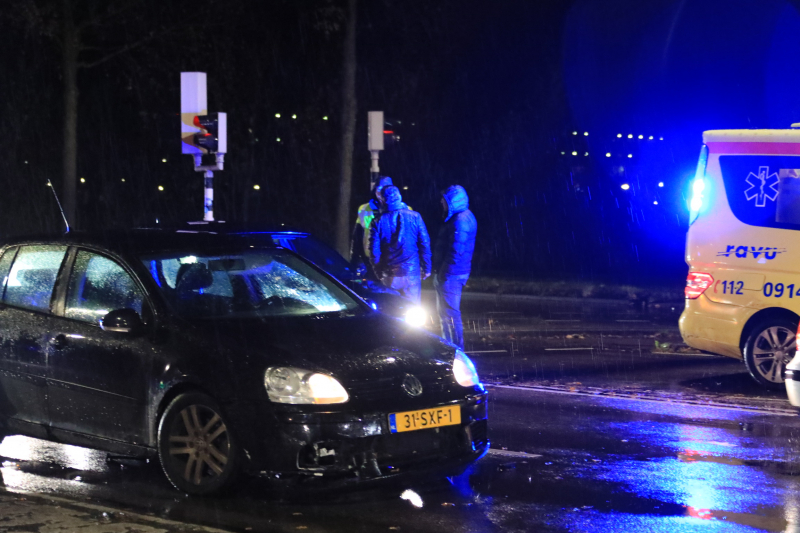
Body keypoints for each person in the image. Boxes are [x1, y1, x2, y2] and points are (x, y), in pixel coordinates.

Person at [368, 186, 431, 303]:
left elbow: (373, 251)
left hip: (390, 273)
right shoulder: (415, 216)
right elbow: (424, 243)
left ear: (382, 200)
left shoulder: (377, 221)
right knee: (413, 312)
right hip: (412, 272)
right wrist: (427, 268)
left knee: (391, 311)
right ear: (399, 197)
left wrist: (378, 272)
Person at [434, 185, 477, 349]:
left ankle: (455, 349)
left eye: (444, 199)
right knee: (448, 314)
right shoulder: (464, 217)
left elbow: (455, 250)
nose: (441, 202)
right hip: (455, 272)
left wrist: (443, 272)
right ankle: (451, 347)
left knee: (449, 314)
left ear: (452, 201)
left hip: (451, 274)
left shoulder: (459, 220)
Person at [350, 176, 394, 278]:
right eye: (378, 189)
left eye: (384, 188)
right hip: (371, 263)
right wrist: (354, 261)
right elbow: (358, 236)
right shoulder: (365, 209)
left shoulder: (405, 210)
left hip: (395, 263)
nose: (380, 192)